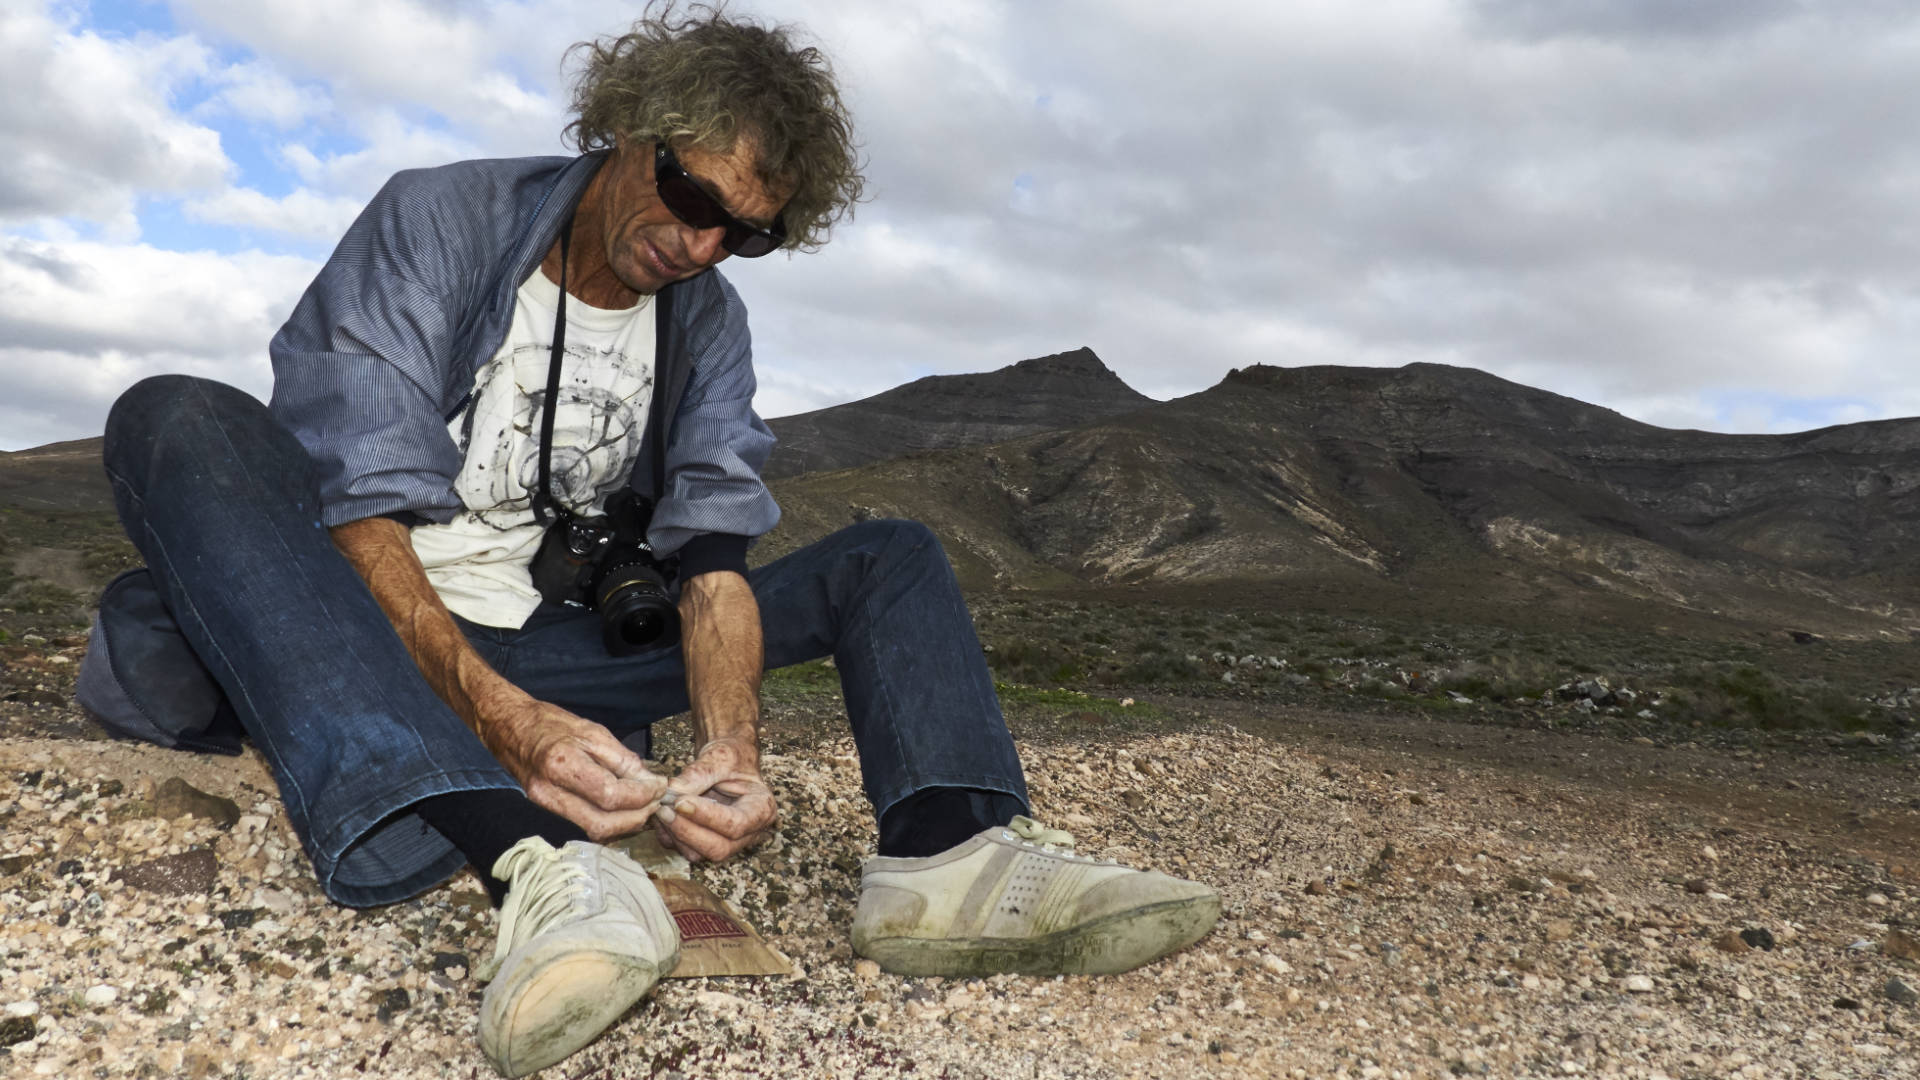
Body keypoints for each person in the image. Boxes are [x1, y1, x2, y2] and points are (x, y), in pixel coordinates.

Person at [81, 6, 1218, 1076]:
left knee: (893, 554)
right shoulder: (439, 219)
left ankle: (947, 854)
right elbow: (357, 506)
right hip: (367, 630)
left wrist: (731, 749)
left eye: (746, 233)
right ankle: (523, 855)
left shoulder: (708, 322)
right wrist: (509, 728)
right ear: (627, 128)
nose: (701, 244)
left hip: (547, 650)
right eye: (689, 192)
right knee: (176, 415)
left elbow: (713, 560)